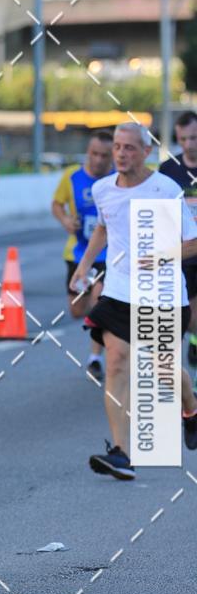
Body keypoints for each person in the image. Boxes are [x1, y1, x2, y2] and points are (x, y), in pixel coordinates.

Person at [71, 123, 197, 481]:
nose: (121, 154)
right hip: (119, 290)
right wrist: (83, 267)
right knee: (115, 362)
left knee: (162, 369)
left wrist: (161, 256)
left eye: (129, 147)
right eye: (117, 146)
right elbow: (104, 227)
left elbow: (193, 241)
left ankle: (191, 408)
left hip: (163, 292)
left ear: (146, 151)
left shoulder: (165, 189)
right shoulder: (103, 189)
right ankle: (121, 452)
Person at [52, 130, 114, 380]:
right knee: (77, 310)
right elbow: (57, 204)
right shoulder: (72, 176)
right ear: (88, 152)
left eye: (104, 155)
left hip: (109, 253)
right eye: (94, 154)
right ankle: (105, 317)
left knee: (100, 299)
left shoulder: (117, 179)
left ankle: (95, 358)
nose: (98, 160)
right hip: (77, 253)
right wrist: (66, 220)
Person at [159, 110, 197, 367]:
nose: (188, 144)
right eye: (183, 139)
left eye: (193, 138)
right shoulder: (168, 168)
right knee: (187, 311)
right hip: (182, 250)